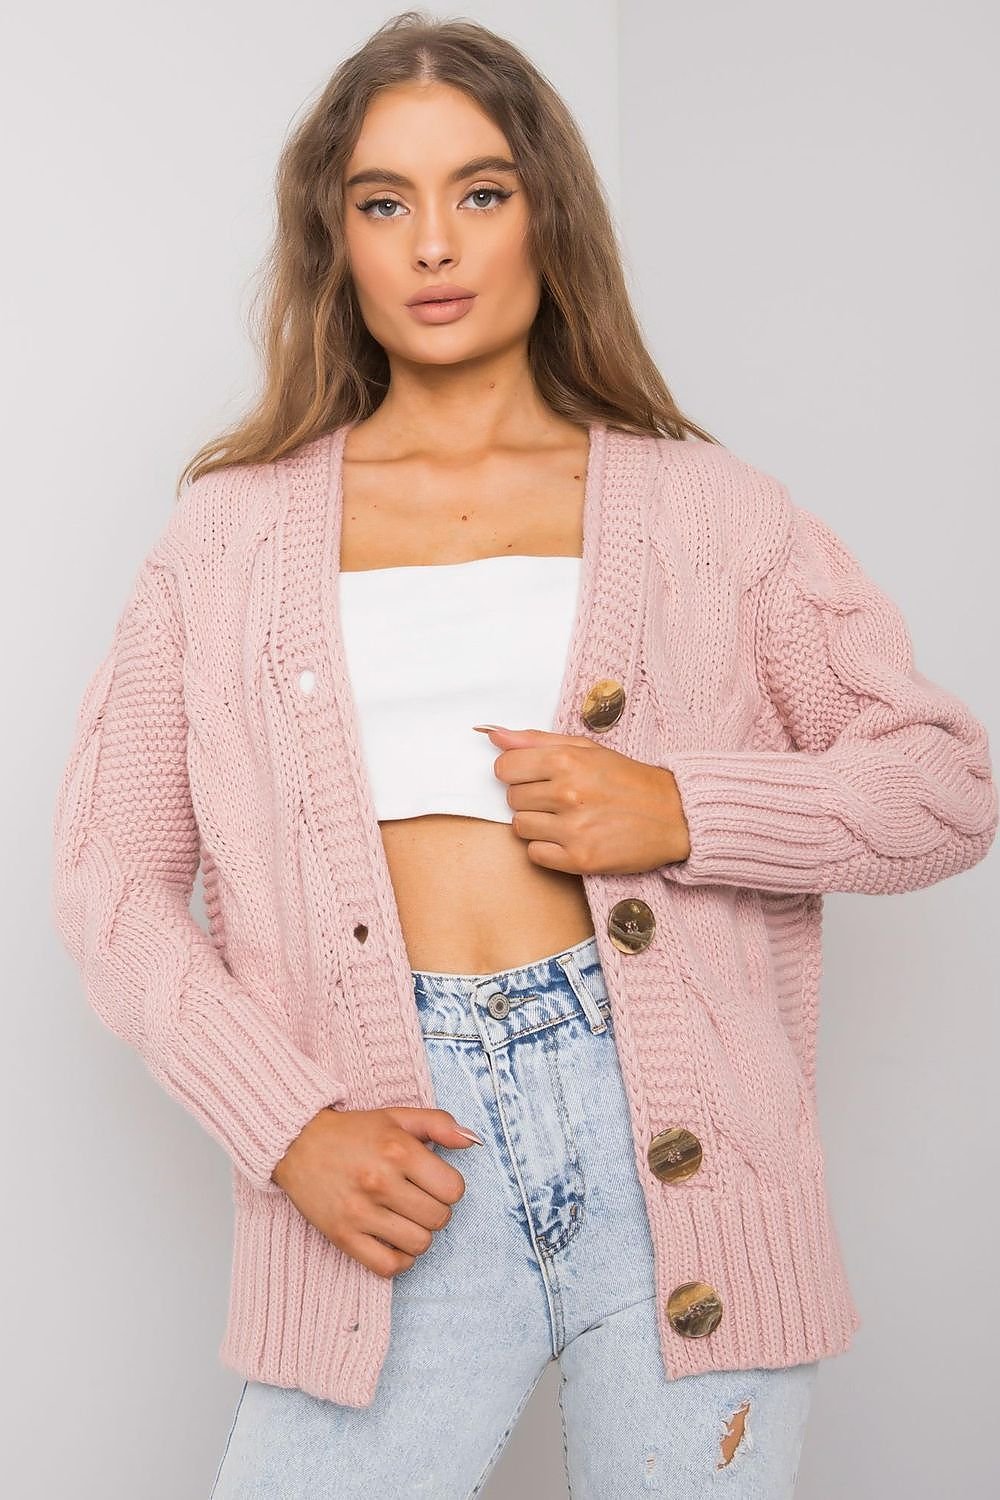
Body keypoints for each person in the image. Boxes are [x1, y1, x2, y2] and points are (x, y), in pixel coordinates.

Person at [50, 12, 997, 1500]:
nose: (434, 243)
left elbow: (945, 785)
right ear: (335, 241)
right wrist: (285, 1126)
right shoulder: (228, 535)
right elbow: (107, 879)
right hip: (390, 1152)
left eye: (480, 192)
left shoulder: (709, 512)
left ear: (547, 216)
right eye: (384, 202)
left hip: (676, 1153)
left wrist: (681, 806)